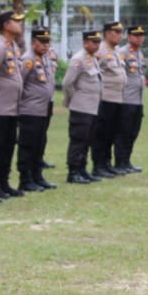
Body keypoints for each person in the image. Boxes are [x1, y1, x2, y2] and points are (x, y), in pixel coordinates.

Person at [0, 10, 26, 197]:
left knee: (8, 147)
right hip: (0, 108)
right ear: (6, 25)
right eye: (15, 21)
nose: (20, 24)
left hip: (12, 108)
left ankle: (4, 182)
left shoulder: (13, 47)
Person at [17, 27, 58, 191]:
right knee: (28, 145)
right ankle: (25, 179)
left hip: (43, 108)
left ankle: (37, 175)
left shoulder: (45, 58)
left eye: (47, 42)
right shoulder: (28, 59)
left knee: (40, 143)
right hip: (30, 109)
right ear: (33, 42)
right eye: (42, 42)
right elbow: (19, 83)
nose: (45, 45)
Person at [62, 28, 104, 184]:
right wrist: (75, 100)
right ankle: (73, 172)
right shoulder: (78, 59)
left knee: (88, 139)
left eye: (99, 42)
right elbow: (67, 83)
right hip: (81, 107)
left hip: (92, 107)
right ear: (85, 42)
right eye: (94, 42)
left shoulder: (91, 58)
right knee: (78, 140)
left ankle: (82, 169)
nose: (97, 45)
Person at [90, 21, 127, 178]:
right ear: (107, 33)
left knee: (112, 133)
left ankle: (107, 163)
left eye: (121, 32)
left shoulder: (116, 51)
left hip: (117, 98)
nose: (120, 35)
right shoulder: (101, 50)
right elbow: (93, 72)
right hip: (105, 98)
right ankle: (98, 165)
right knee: (101, 133)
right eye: (116, 32)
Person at [115, 25, 147, 173]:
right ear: (129, 37)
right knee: (123, 132)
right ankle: (120, 162)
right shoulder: (122, 53)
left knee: (134, 132)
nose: (140, 38)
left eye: (141, 35)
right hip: (126, 99)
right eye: (136, 35)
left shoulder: (140, 53)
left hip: (138, 99)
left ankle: (127, 161)